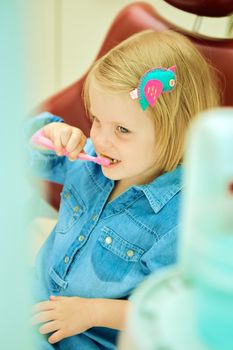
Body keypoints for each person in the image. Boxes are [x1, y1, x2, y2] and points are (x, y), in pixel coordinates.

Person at [28, 29, 219, 350]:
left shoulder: (181, 218)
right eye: (96, 119)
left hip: (90, 339)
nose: (101, 139)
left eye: (122, 129)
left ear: (175, 132)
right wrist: (49, 134)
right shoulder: (92, 159)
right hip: (35, 302)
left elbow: (166, 309)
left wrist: (91, 312)